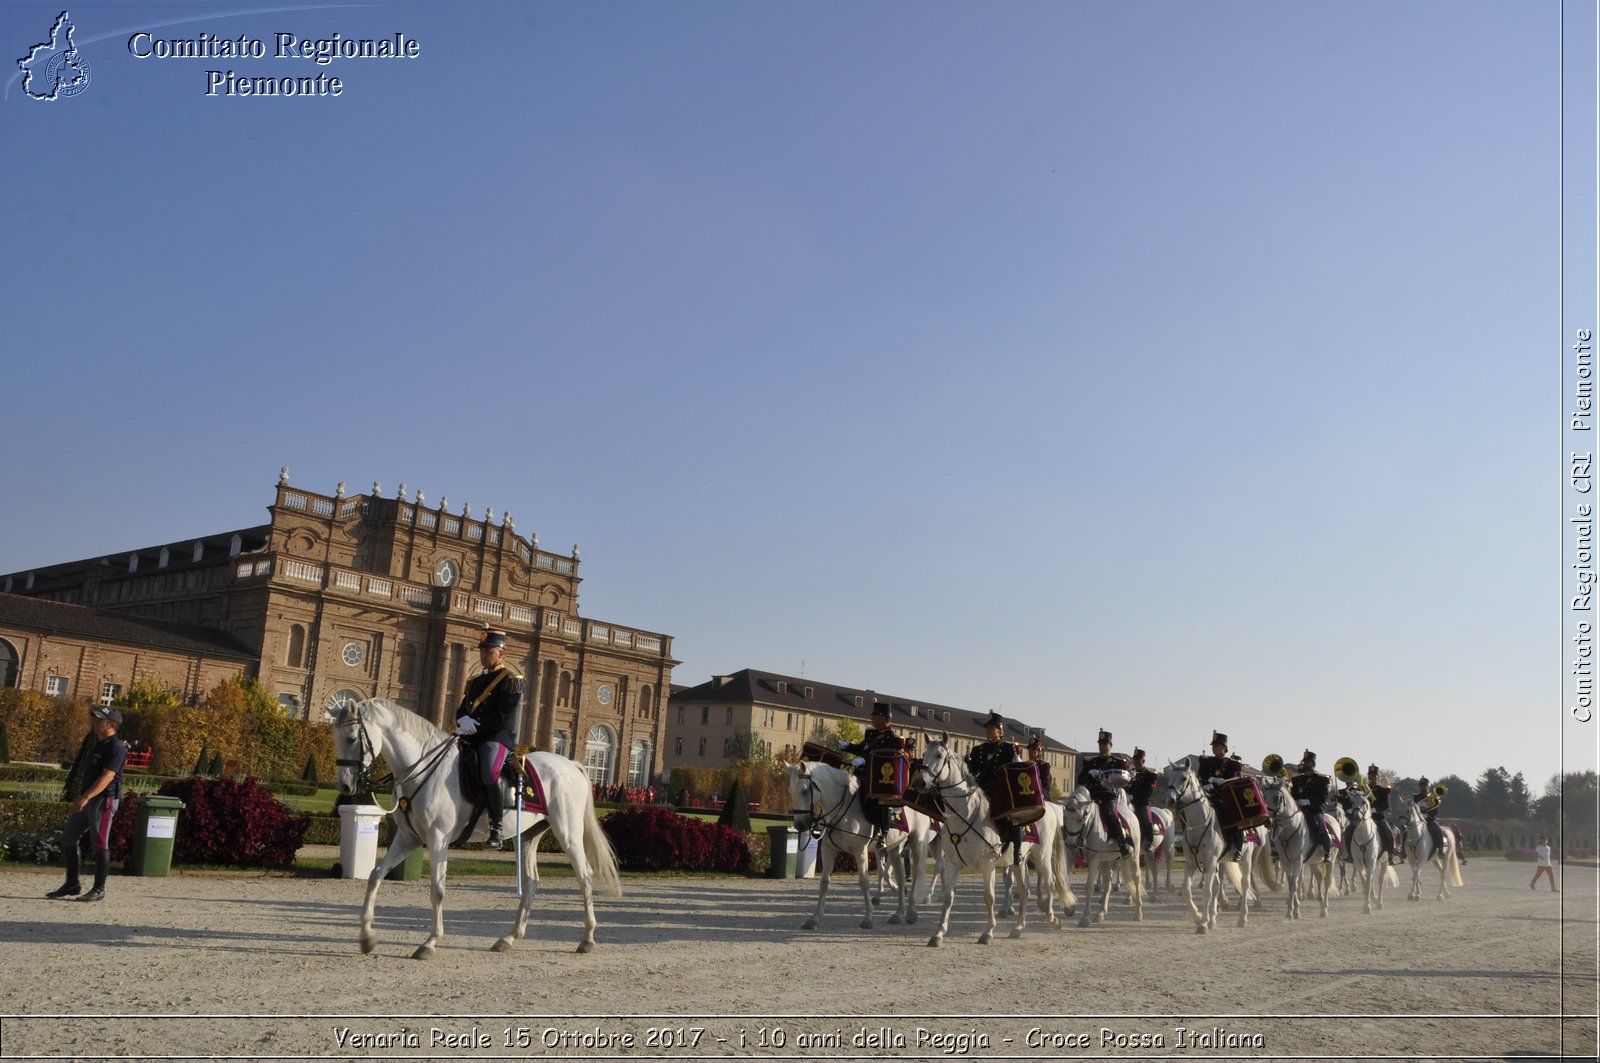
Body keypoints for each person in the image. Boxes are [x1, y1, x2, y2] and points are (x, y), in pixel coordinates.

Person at [47, 707, 128, 902]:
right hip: (90, 798)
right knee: (69, 837)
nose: (95, 722)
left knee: (100, 843)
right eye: (96, 719)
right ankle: (72, 884)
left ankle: (99, 889)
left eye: (100, 720)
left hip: (104, 799)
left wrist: (85, 797)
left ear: (112, 725)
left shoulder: (116, 747)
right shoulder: (99, 744)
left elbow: (107, 777)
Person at [453, 628, 523, 849]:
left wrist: (476, 726)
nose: (483, 655)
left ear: (501, 654)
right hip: (471, 734)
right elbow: (462, 709)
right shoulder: (474, 682)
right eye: (482, 651)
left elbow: (504, 716)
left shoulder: (511, 680)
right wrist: (463, 720)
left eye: (488, 651)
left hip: (496, 736)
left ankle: (497, 826)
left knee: (489, 771)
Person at [841, 702, 906, 848]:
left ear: (882, 718)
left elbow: (888, 759)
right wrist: (848, 746)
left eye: (874, 716)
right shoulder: (871, 734)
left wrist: (865, 760)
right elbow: (861, 749)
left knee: (882, 800)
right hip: (863, 773)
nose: (871, 719)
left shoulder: (893, 739)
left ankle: (883, 832)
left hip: (879, 779)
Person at [965, 710, 1021, 856]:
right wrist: (969, 763)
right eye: (987, 728)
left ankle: (1016, 848)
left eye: (992, 728)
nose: (988, 731)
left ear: (1000, 730)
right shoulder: (979, 749)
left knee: (1010, 815)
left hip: (999, 787)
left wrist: (1016, 757)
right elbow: (974, 770)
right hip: (980, 785)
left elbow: (1013, 769)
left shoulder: (1008, 749)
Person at [1077, 728, 1130, 856]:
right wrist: (1088, 774)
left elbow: (1124, 780)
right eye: (1100, 744)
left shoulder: (1118, 762)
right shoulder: (1090, 762)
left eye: (1104, 744)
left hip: (1108, 795)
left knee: (1110, 814)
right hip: (1092, 796)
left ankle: (1122, 843)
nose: (1101, 746)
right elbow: (1080, 780)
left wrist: (1100, 774)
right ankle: (1075, 843)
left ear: (1110, 745)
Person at [1196, 731, 1245, 861]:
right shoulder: (1206, 761)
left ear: (1224, 747)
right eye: (1213, 745)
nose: (1213, 747)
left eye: (1217, 745)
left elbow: (1236, 779)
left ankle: (1238, 848)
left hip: (1225, 796)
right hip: (1207, 794)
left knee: (1233, 815)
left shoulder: (1232, 764)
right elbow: (1201, 776)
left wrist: (1224, 782)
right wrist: (1206, 783)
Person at [1289, 750, 1333, 859]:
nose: (1305, 765)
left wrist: (1309, 801)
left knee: (1321, 826)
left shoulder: (1321, 780)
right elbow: (1293, 794)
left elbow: (1323, 797)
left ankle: (1327, 852)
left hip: (1314, 810)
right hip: (1299, 810)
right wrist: (1296, 801)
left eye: (1307, 762)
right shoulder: (1297, 779)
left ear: (1313, 764)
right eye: (1304, 762)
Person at [1366, 764, 1401, 865]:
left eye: (1374, 775)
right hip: (1365, 818)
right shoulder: (1363, 789)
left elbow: (1386, 805)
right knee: (1350, 830)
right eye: (1370, 775)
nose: (1371, 777)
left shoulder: (1383, 790)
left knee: (1389, 833)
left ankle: (1391, 856)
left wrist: (1374, 809)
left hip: (1378, 817)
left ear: (1378, 776)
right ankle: (1349, 855)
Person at [1127, 748, 1159, 855]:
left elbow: (1149, 791)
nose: (1136, 762)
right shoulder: (1129, 773)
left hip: (1142, 802)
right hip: (1129, 802)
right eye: (1134, 759)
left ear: (1143, 760)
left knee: (1146, 819)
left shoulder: (1149, 774)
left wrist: (1134, 796)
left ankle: (1150, 842)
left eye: (1138, 759)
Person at [1414, 777, 1446, 858]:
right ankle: (1403, 850)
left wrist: (1429, 816)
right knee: (1407, 830)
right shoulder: (1416, 797)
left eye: (1424, 786)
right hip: (1417, 819)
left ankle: (1441, 849)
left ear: (1428, 786)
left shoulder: (1432, 797)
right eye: (1421, 786)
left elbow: (1435, 810)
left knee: (1437, 829)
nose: (1422, 787)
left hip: (1429, 819)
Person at [1024, 732, 1053, 799]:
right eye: (1030, 749)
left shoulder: (1044, 766)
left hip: (1042, 797)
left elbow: (1045, 785)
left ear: (1039, 752)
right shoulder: (1026, 766)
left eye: (1033, 750)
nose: (1030, 751)